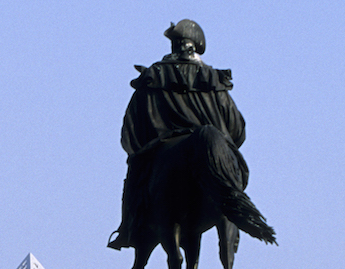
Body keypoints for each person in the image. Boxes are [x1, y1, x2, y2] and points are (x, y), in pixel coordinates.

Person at [108, 19, 255, 252]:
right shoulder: (214, 80)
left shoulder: (153, 76)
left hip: (161, 146)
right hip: (212, 149)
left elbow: (131, 130)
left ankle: (127, 227)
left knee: (133, 180)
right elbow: (237, 128)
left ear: (175, 46)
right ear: (196, 46)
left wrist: (141, 152)